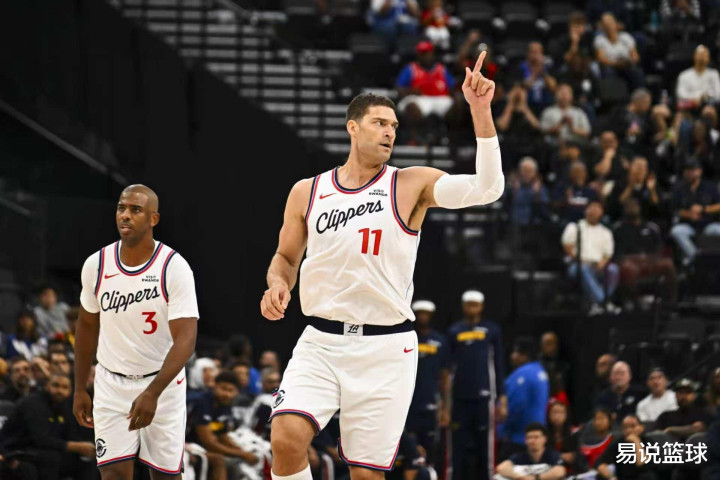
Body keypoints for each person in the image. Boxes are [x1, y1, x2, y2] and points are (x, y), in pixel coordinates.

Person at [260, 51, 504, 480]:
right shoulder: (307, 191)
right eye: (379, 123)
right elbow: (285, 258)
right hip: (321, 341)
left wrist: (480, 111)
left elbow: (488, 188)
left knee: (366, 474)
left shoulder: (410, 184)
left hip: (386, 348)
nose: (390, 131)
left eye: (394, 125)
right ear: (352, 127)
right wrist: (278, 283)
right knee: (285, 438)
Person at [73, 184, 200, 479]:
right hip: (110, 382)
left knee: (165, 476)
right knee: (113, 474)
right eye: (121, 208)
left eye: (135, 210)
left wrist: (153, 392)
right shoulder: (96, 264)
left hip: (162, 384)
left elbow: (186, 338)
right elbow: (86, 327)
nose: (125, 215)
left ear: (154, 219)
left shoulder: (173, 267)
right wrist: (79, 388)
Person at [447, 290, 506, 480]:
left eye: (476, 304)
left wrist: (502, 398)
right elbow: (448, 370)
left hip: (484, 398)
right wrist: (446, 405)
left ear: (481, 306)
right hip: (459, 398)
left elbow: (498, 364)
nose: (472, 308)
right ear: (463, 306)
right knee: (457, 446)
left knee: (486, 447)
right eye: (469, 304)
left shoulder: (491, 330)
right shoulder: (454, 331)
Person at [0, 372, 97, 480]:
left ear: (70, 391)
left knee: (86, 460)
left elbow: (70, 433)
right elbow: (40, 439)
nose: (59, 391)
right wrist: (75, 446)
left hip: (41, 449)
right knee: (51, 458)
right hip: (17, 448)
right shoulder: (34, 404)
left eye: (64, 387)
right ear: (46, 386)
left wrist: (85, 447)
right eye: (55, 385)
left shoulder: (64, 405)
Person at [187, 371, 258, 480]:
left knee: (241, 462)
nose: (226, 394)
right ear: (215, 386)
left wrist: (242, 451)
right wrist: (241, 454)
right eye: (223, 389)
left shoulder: (224, 404)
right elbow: (208, 442)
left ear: (237, 392)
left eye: (231, 390)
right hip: (183, 443)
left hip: (198, 446)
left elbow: (223, 436)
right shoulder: (201, 402)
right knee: (218, 460)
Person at [406, 299, 449, 464]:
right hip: (409, 402)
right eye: (420, 313)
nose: (423, 317)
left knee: (432, 447)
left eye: (426, 314)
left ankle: (430, 473)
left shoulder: (440, 340)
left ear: (431, 315)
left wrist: (445, 407)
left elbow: (445, 375)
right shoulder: (407, 338)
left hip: (431, 401)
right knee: (409, 447)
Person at [561, 201, 621, 314]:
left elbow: (608, 254)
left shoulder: (606, 232)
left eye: (597, 208)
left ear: (602, 212)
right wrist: (581, 261)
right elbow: (567, 247)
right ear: (586, 210)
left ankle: (597, 304)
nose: (594, 210)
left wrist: (601, 265)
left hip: (598, 265)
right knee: (584, 269)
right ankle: (603, 302)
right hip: (578, 265)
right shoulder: (575, 227)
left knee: (613, 269)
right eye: (591, 207)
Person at [613, 199, 677, 304]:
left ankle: (671, 302)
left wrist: (651, 258)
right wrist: (630, 259)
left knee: (668, 264)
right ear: (624, 210)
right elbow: (617, 252)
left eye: (634, 206)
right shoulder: (618, 229)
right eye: (629, 206)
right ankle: (636, 303)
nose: (632, 208)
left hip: (649, 260)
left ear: (640, 208)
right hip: (631, 261)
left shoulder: (651, 227)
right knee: (628, 268)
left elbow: (659, 248)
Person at [396, 41, 457, 144]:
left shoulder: (441, 69)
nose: (426, 56)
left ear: (432, 54)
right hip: (420, 99)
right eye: (423, 53)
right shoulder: (410, 68)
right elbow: (399, 88)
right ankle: (415, 138)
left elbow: (453, 87)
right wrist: (410, 91)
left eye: (428, 53)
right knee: (411, 106)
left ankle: (453, 139)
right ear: (418, 55)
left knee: (458, 103)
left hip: (440, 99)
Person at [499, 337, 549, 457]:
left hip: (518, 439)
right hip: (537, 437)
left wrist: (503, 429)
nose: (512, 356)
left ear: (524, 355)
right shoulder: (540, 371)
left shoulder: (522, 375)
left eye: (515, 352)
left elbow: (516, 405)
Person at [670, 159, 720, 265]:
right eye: (688, 170)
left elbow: (718, 206)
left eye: (693, 170)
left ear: (700, 171)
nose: (690, 173)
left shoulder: (710, 187)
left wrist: (704, 209)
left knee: (718, 230)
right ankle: (696, 258)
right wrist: (689, 214)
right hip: (689, 226)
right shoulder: (679, 188)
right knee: (676, 231)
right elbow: (675, 210)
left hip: (708, 225)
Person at [495, 423, 566, 480]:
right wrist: (519, 477)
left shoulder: (552, 455)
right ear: (525, 440)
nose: (532, 441)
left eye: (536, 437)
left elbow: (560, 471)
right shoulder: (519, 456)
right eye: (529, 437)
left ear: (544, 439)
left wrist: (535, 478)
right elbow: (501, 468)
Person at [595, 414, 655, 480]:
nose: (629, 430)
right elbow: (599, 462)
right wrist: (611, 477)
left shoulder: (648, 442)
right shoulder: (619, 443)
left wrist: (636, 442)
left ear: (641, 427)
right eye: (625, 427)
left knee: (647, 475)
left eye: (633, 426)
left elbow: (644, 467)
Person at [594, 12, 644, 90]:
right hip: (611, 66)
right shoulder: (599, 40)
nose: (608, 26)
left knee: (637, 72)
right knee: (608, 72)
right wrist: (615, 64)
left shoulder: (626, 37)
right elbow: (601, 58)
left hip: (626, 65)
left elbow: (635, 56)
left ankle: (639, 95)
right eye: (605, 24)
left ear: (616, 24)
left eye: (610, 23)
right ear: (602, 27)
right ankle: (612, 97)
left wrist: (630, 61)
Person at [606, 156, 659, 220]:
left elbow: (656, 207)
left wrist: (652, 191)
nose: (640, 170)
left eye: (643, 167)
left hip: (644, 221)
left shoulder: (650, 185)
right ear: (630, 167)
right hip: (621, 219)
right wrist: (630, 187)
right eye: (638, 167)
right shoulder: (620, 183)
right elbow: (615, 206)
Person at [517, 42, 558, 114]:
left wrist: (542, 71)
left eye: (538, 52)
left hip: (546, 105)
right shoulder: (521, 67)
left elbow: (553, 87)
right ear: (528, 54)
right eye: (533, 52)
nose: (535, 56)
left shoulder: (548, 66)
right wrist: (535, 74)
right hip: (527, 105)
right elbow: (522, 87)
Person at [508, 157, 550, 226]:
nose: (526, 174)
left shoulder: (540, 188)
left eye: (529, 171)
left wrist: (537, 194)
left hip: (533, 224)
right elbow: (506, 203)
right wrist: (512, 191)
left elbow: (544, 209)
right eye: (524, 170)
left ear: (535, 173)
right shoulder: (513, 186)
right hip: (514, 223)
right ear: (519, 171)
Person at [676, 45, 720, 110]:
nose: (702, 57)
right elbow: (681, 94)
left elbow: (718, 95)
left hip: (709, 106)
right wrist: (699, 96)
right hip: (688, 107)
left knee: (708, 111)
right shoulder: (684, 75)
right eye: (700, 54)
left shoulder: (714, 74)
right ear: (694, 56)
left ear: (708, 58)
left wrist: (705, 98)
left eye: (705, 55)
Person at [546, 401, 579, 470]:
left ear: (566, 415)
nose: (557, 416)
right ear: (549, 415)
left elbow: (575, 456)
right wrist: (560, 456)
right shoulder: (544, 434)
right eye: (554, 412)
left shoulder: (574, 433)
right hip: (548, 469)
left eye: (561, 412)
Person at [539, 332, 570, 405]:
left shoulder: (564, 365)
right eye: (548, 343)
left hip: (558, 402)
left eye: (554, 343)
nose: (552, 347)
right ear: (541, 346)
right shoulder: (536, 366)